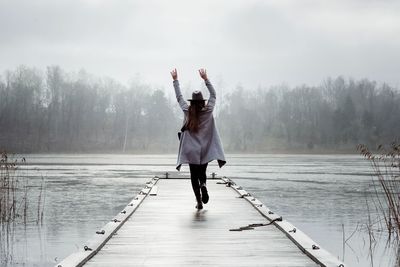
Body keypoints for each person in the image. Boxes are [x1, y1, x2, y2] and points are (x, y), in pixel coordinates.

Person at [170, 68, 226, 210]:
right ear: (202, 101)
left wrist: (175, 80)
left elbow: (179, 98)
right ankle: (204, 185)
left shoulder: (187, 111)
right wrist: (206, 79)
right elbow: (214, 94)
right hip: (205, 149)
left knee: (193, 176)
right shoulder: (208, 110)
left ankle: (199, 202)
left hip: (191, 151)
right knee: (202, 173)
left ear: (192, 102)